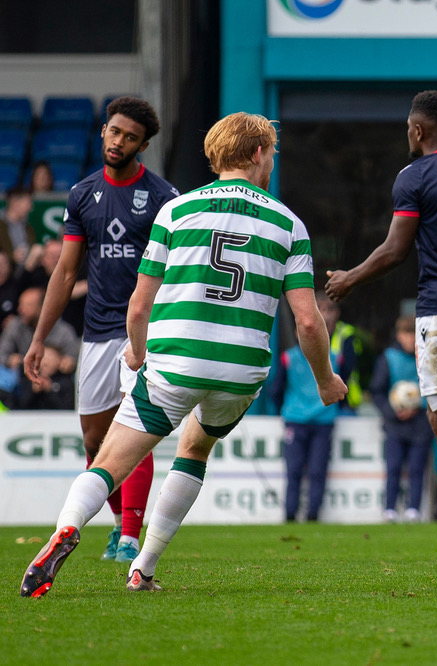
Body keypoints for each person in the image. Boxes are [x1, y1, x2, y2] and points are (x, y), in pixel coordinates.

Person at [20, 112, 346, 598]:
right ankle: (143, 569)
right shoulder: (289, 224)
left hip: (174, 362)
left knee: (109, 462)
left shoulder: (176, 211)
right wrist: (325, 378)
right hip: (240, 372)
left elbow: (138, 306)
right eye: (271, 152)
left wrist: (135, 353)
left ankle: (66, 530)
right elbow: (306, 320)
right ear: (257, 153)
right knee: (195, 449)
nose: (272, 161)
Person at [325, 91, 437, 561]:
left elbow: (394, 249)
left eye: (409, 128)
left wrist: (350, 277)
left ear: (419, 130)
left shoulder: (416, 175)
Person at [23, 97, 179, 564]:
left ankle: (130, 537)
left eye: (129, 137)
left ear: (143, 145)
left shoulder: (162, 198)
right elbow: (65, 274)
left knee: (137, 427)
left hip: (145, 332)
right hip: (95, 333)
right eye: (114, 131)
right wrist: (38, 338)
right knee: (95, 441)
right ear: (104, 131)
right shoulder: (82, 194)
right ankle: (117, 525)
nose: (118, 141)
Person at [272, 291, 342, 522]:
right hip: (314, 419)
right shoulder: (331, 356)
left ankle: (300, 515)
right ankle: (301, 514)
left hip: (307, 419)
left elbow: (276, 390)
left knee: (299, 471)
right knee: (311, 471)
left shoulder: (289, 357)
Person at [369, 315, 434, 522]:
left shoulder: (427, 357)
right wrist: (392, 411)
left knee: (417, 467)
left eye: (414, 334)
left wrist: (419, 406)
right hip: (395, 423)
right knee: (393, 466)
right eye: (406, 334)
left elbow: (433, 389)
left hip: (420, 422)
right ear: (398, 335)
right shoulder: (388, 358)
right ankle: (390, 509)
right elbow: (376, 391)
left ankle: (414, 509)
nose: (410, 339)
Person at [0, 286, 79, 410]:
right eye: (21, 304)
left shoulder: (62, 330)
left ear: (42, 307)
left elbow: (74, 357)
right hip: (24, 376)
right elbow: (2, 354)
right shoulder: (15, 326)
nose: (20, 309)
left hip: (56, 379)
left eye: (27, 305)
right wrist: (9, 360)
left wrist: (68, 362)